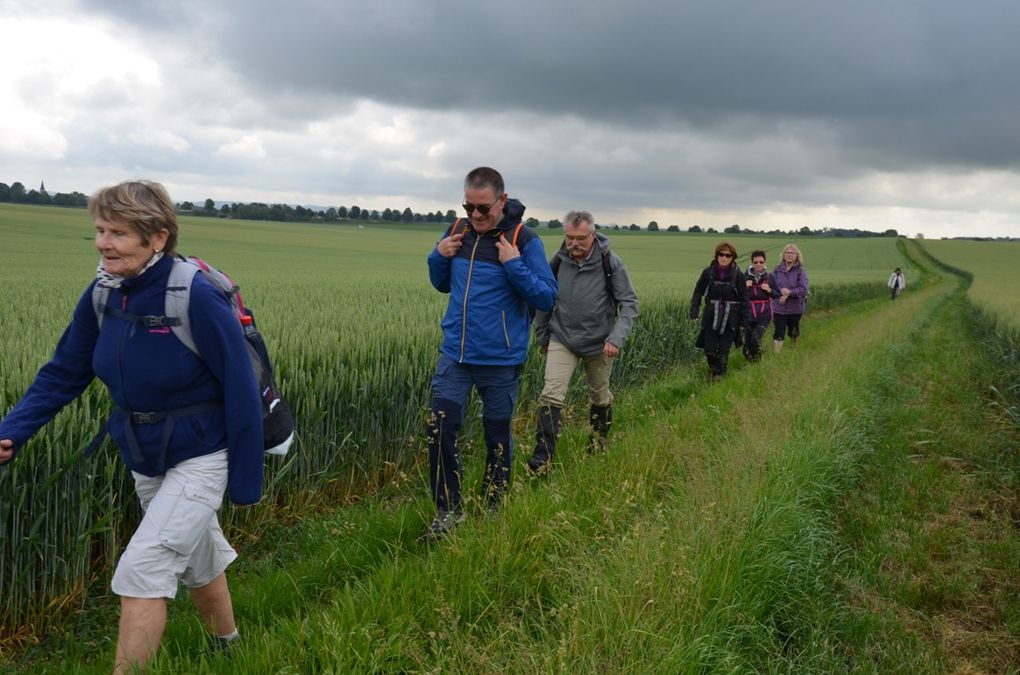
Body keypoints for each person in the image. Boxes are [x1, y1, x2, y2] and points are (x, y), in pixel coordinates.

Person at [0, 181, 263, 673]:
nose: (103, 242)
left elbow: (241, 390)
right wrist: (12, 430)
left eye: (118, 233)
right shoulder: (104, 293)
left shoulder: (195, 295)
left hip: (203, 454)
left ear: (157, 238)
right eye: (100, 229)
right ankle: (229, 647)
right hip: (143, 452)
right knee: (194, 553)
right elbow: (64, 372)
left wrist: (246, 482)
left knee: (144, 566)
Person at [425, 167, 556, 537]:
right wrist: (438, 256)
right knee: (439, 428)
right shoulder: (456, 232)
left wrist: (513, 265)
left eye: (483, 208)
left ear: (501, 201)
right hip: (456, 356)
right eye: (469, 206)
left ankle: (495, 504)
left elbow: (547, 295)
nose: (476, 215)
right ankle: (448, 511)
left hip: (500, 360)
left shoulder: (524, 240)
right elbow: (440, 283)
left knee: (496, 435)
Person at [526, 210, 639, 474]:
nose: (574, 244)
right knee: (551, 394)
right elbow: (544, 300)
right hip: (562, 338)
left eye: (580, 238)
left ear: (593, 234)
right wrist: (543, 336)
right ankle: (542, 461)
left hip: (600, 343)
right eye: (569, 238)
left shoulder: (611, 262)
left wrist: (616, 338)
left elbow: (630, 304)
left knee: (599, 394)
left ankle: (597, 445)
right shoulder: (557, 261)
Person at [689, 242, 750, 379]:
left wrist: (744, 321)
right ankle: (716, 371)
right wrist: (694, 311)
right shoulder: (708, 273)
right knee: (709, 350)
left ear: (732, 258)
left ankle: (719, 378)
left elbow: (745, 299)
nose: (724, 257)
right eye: (721, 254)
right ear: (717, 256)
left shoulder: (738, 276)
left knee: (723, 351)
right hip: (711, 316)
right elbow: (698, 291)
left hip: (731, 319)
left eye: (727, 255)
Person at [742, 250, 780, 362]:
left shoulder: (770, 277)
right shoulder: (744, 276)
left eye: (761, 262)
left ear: (765, 262)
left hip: (765, 314)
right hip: (748, 313)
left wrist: (769, 290)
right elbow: (736, 295)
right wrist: (744, 287)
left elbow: (777, 294)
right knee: (748, 343)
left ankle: (757, 362)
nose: (758, 264)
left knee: (756, 338)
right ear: (752, 263)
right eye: (755, 262)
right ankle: (750, 361)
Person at [771, 243, 809, 352]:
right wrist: (780, 292)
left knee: (793, 331)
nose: (789, 255)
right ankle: (777, 355)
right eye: (787, 253)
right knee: (779, 331)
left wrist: (789, 293)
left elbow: (803, 289)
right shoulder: (777, 270)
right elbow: (772, 285)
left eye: (792, 253)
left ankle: (793, 348)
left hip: (795, 308)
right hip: (779, 307)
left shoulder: (801, 271)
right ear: (783, 255)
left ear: (797, 255)